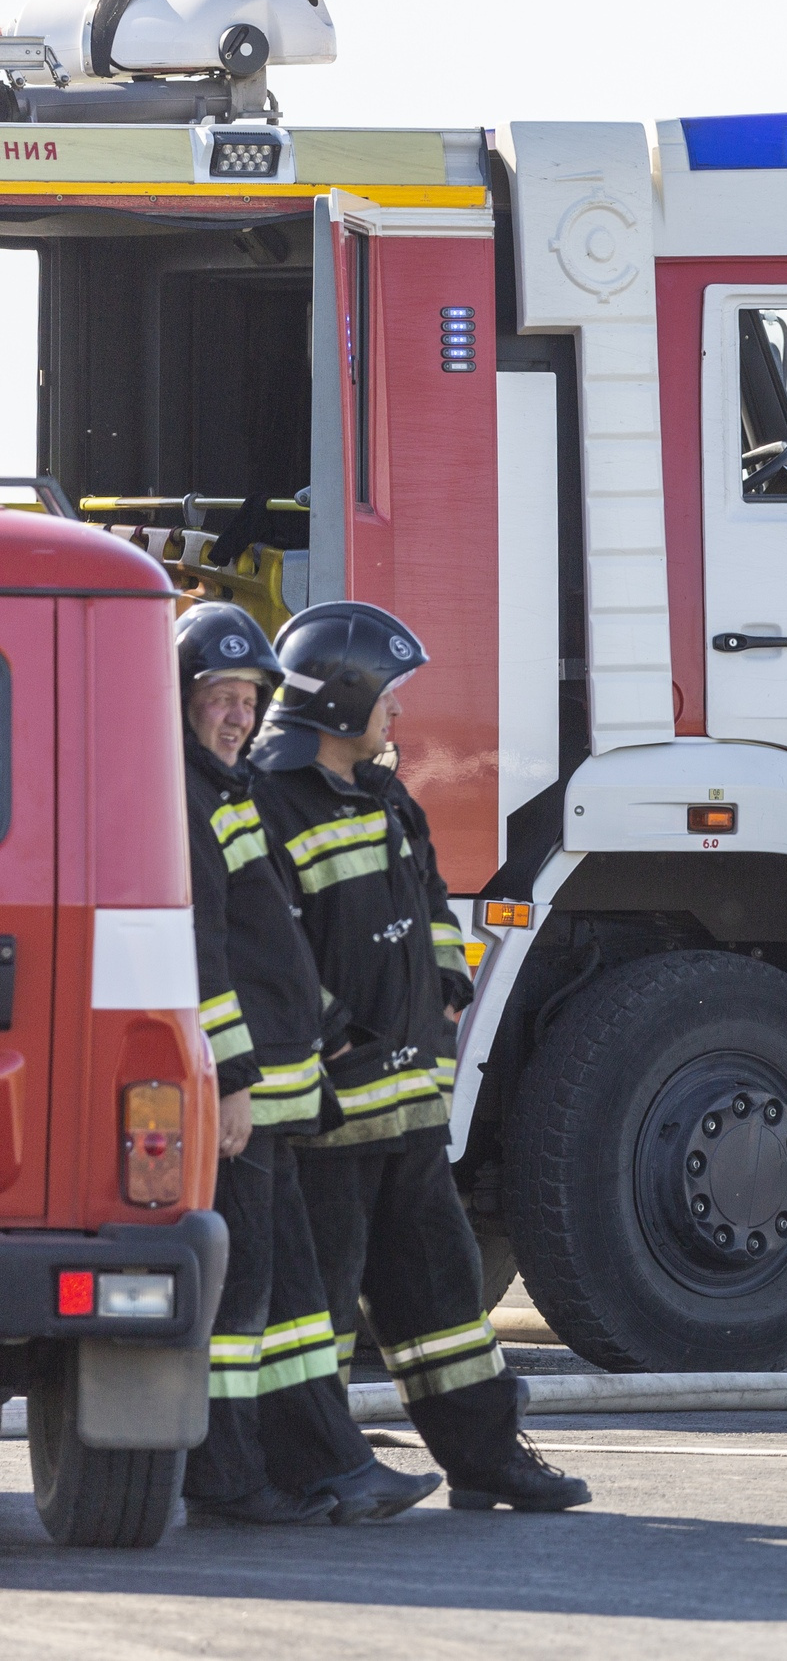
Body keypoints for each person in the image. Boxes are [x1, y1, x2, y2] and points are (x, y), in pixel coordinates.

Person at [252, 601, 589, 1513]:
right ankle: (314, 1466)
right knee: (311, 1319)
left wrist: (444, 972)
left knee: (444, 1304)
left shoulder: (384, 790)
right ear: (344, 700)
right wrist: (339, 1035)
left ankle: (489, 1460)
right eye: (389, 697)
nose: (400, 714)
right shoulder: (268, 803)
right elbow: (261, 952)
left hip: (406, 1108)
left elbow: (430, 894)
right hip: (328, 1121)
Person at [175, 601, 442, 1525]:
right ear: (184, 699)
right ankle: (227, 1477)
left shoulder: (223, 787)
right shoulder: (189, 800)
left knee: (282, 1303)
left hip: (287, 1090)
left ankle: (309, 1464)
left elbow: (269, 940)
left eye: (249, 698)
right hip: (252, 1098)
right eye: (220, 696)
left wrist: (326, 1024)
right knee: (245, 1304)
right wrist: (236, 1083)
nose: (238, 714)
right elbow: (210, 960)